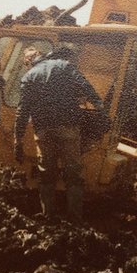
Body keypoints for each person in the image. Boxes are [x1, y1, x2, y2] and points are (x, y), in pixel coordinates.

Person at [14, 46, 105, 222]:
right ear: (41, 55)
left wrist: (18, 141)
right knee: (73, 174)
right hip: (68, 128)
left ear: (28, 62)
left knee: (46, 174)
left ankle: (49, 216)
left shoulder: (28, 77)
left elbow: (22, 112)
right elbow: (84, 86)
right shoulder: (64, 65)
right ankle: (75, 218)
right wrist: (99, 107)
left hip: (43, 132)